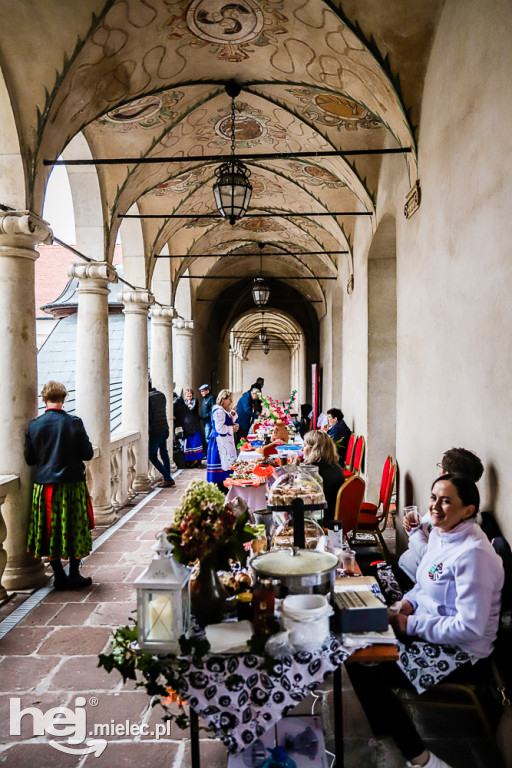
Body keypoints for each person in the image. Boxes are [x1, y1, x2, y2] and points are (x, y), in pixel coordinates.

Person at [347, 473, 504, 768]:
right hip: (429, 626)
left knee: (368, 664)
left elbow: (471, 627)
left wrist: (408, 624)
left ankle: (422, 759)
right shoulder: (442, 534)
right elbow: (424, 582)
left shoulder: (474, 555)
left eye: (446, 501)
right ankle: (387, 729)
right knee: (355, 640)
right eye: (433, 498)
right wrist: (406, 603)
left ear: (468, 510)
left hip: (463, 653)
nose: (435, 506)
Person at [24, 380, 94, 591]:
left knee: (49, 530)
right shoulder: (74, 422)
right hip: (72, 484)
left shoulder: (34, 425)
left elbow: (29, 459)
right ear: (64, 398)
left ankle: (59, 576)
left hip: (45, 486)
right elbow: (88, 454)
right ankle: (74, 574)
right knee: (74, 528)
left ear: (44, 399)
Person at [399, 448, 484, 582]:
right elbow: (427, 528)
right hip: (407, 567)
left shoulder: (457, 516)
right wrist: (413, 522)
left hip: (414, 579)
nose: (440, 472)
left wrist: (414, 531)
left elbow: (429, 556)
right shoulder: (445, 501)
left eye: (443, 468)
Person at [302, 430, 344, 521]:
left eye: (304, 445)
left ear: (313, 449)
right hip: (335, 514)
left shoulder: (314, 472)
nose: (302, 449)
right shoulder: (336, 466)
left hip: (321, 519)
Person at [206, 389, 239, 491]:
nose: (230, 402)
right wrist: (232, 428)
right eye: (229, 399)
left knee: (224, 464)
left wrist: (232, 413)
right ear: (223, 399)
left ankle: (222, 486)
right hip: (219, 442)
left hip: (223, 440)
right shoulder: (219, 411)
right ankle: (220, 487)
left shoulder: (221, 410)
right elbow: (219, 428)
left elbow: (226, 420)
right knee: (221, 464)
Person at [148, 381, 175, 488]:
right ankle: (167, 479)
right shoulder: (161, 395)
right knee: (164, 453)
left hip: (155, 431)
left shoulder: (148, 399)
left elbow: (149, 417)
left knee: (152, 456)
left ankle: (168, 477)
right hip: (164, 428)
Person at [183, 388, 205, 467]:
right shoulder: (184, 402)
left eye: (190, 393)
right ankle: (189, 460)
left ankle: (196, 461)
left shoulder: (195, 400)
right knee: (189, 443)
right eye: (187, 394)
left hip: (194, 425)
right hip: (187, 425)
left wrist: (187, 409)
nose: (189, 395)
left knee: (195, 442)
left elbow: (193, 409)